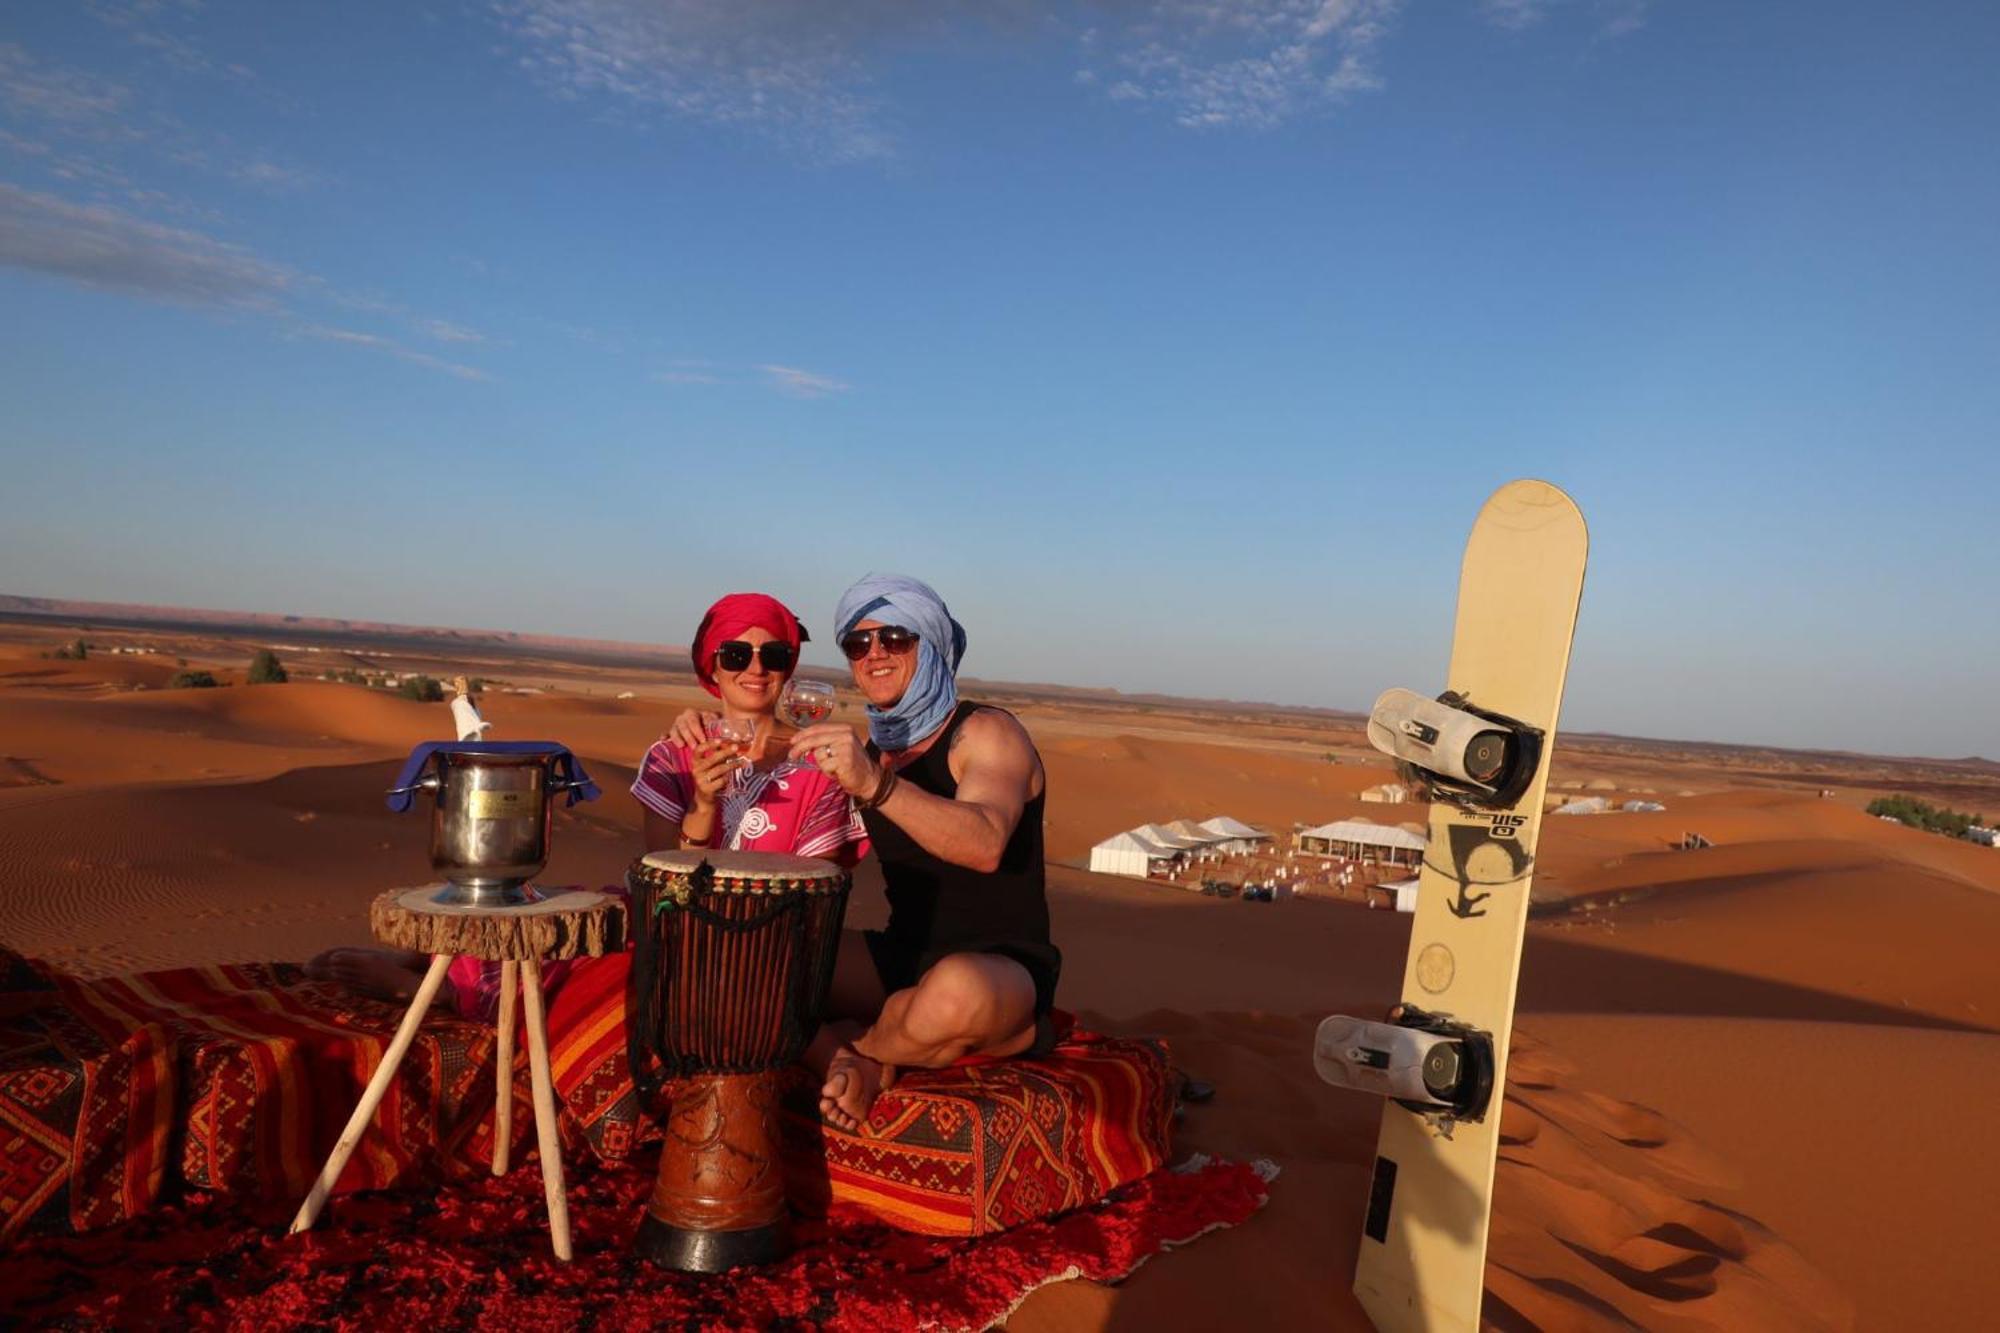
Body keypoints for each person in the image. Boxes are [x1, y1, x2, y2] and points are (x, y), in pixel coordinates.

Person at [306, 592, 868, 1027]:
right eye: (736, 653)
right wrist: (703, 801)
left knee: (610, 974)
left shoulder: (821, 764)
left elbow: (821, 886)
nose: (755, 668)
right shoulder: (674, 755)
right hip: (670, 915)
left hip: (762, 937)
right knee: (565, 919)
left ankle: (447, 988)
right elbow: (663, 871)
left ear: (789, 667)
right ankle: (429, 965)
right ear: (711, 666)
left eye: (772, 654)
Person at [785, 573, 1060, 1133]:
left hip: (999, 967)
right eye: (858, 644)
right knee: (769, 960)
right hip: (905, 956)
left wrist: (877, 788)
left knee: (957, 994)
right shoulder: (872, 753)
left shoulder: (985, 734)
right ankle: (849, 1056)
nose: (875, 654)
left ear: (930, 644)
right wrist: (704, 737)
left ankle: (861, 1052)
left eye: (896, 638)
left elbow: (984, 843)